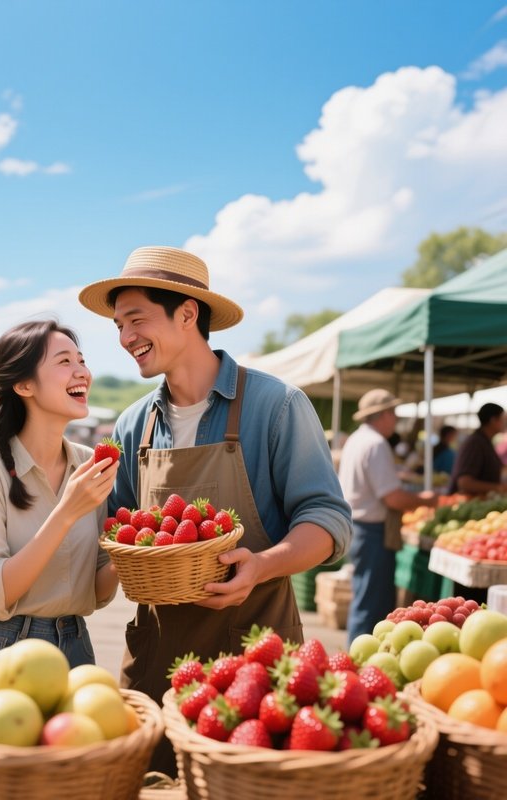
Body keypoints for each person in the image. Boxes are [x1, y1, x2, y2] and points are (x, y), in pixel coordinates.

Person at [79, 246, 352, 773]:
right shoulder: (134, 424)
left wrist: (262, 564)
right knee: (151, 781)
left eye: (137, 320)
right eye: (118, 326)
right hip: (158, 653)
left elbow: (327, 519)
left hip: (256, 655)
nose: (125, 338)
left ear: (187, 313)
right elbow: (116, 532)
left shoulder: (277, 405)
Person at [0, 320, 120, 679]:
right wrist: (65, 512)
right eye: (64, 362)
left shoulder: (89, 463)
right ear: (24, 385)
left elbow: (96, 589)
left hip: (75, 647)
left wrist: (131, 553)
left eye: (81, 360)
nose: (82, 373)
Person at [338, 389, 438, 644]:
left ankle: (357, 657)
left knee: (365, 598)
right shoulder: (375, 444)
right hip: (371, 531)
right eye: (393, 412)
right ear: (382, 415)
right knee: (372, 603)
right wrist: (426, 500)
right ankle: (359, 661)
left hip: (359, 527)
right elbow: (392, 497)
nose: (395, 418)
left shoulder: (357, 440)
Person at [447, 403, 507, 495]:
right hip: (465, 504)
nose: (505, 423)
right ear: (493, 420)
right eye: (503, 419)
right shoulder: (475, 443)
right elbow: (464, 483)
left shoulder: (485, 441)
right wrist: (498, 488)